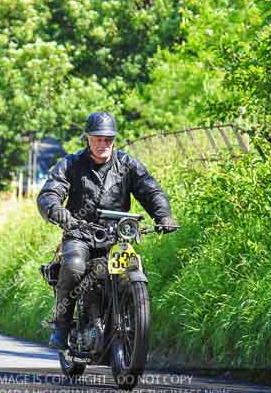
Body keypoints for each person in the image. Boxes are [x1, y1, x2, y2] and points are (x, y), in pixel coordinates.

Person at [37, 111, 179, 349]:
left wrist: (163, 215)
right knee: (74, 266)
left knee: (132, 269)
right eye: (97, 138)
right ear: (88, 138)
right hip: (79, 233)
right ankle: (61, 326)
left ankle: (129, 317)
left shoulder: (127, 164)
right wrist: (57, 211)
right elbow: (49, 192)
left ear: (114, 139)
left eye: (108, 139)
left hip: (116, 235)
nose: (103, 143)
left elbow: (151, 190)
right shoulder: (71, 164)